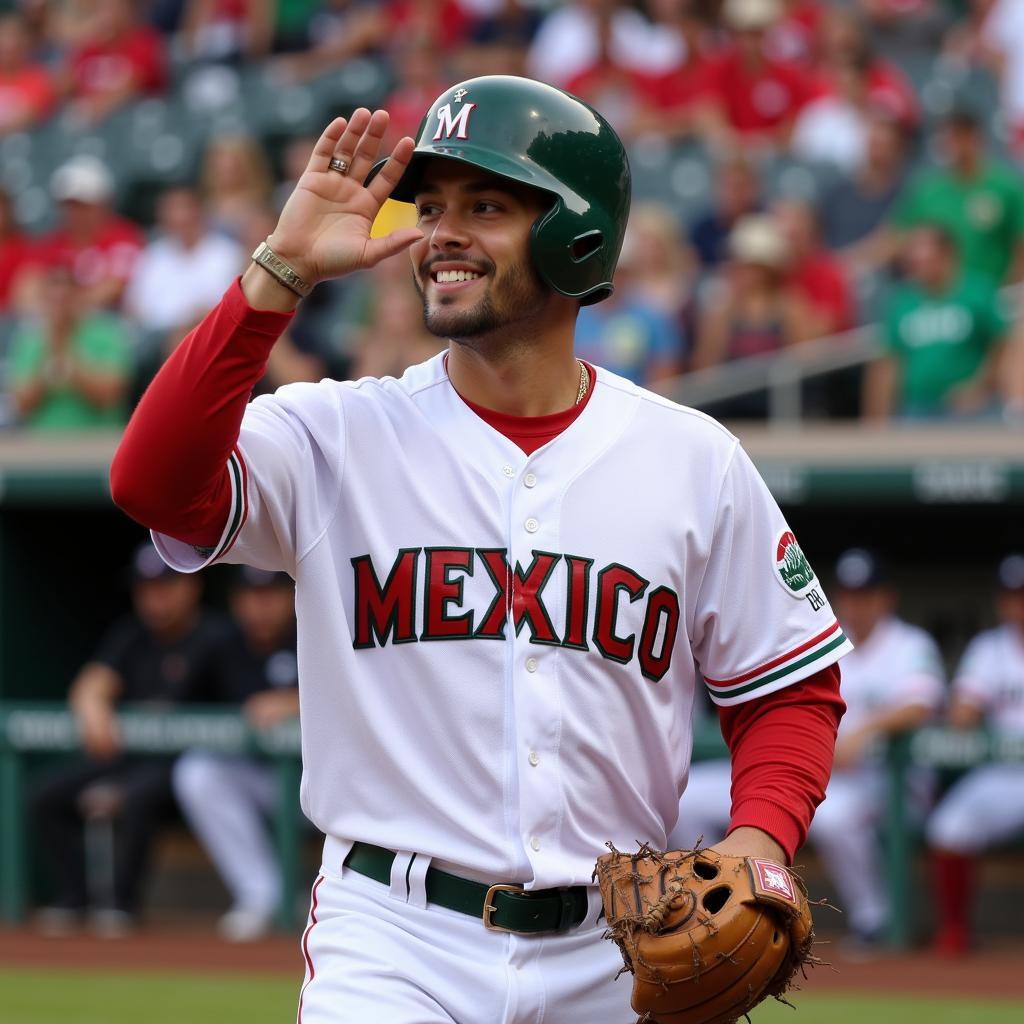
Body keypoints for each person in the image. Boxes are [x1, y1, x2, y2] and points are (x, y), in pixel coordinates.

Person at [109, 77, 850, 1021]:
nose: (440, 232)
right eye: (435, 205)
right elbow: (152, 486)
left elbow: (788, 686)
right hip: (392, 935)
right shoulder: (336, 433)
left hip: (616, 948)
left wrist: (761, 837)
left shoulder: (691, 459)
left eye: (486, 206)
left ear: (575, 234)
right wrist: (277, 273)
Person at [673, 548, 944, 949]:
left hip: (885, 780)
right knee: (690, 798)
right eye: (850, 593)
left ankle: (876, 918)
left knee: (835, 816)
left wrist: (866, 730)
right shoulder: (830, 640)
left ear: (886, 597)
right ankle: (712, 907)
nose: (857, 603)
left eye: (867, 594)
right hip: (820, 776)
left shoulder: (908, 644)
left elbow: (921, 704)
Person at [30, 543, 236, 936]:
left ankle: (122, 904)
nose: (154, 597)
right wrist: (91, 704)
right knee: (46, 794)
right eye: (146, 588)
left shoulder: (215, 636)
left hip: (186, 765)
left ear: (190, 587)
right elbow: (93, 682)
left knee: (136, 796)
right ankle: (77, 897)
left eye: (164, 586)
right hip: (130, 757)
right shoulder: (132, 635)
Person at [173, 566, 301, 943]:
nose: (260, 606)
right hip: (261, 781)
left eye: (271, 594)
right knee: (197, 772)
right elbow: (175, 704)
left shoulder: (318, 632)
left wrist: (298, 702)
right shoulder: (222, 645)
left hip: (324, 784)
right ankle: (263, 895)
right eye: (251, 595)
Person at [926, 553, 1024, 957]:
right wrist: (965, 709)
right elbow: (962, 711)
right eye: (1013, 596)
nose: (1019, 604)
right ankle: (954, 931)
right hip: (1005, 773)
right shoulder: (990, 648)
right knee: (949, 826)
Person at [864, 223, 1011, 420]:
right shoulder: (902, 301)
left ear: (946, 254)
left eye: (922, 253)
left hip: (970, 409)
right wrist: (877, 420)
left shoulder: (978, 292)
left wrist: (980, 387)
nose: (915, 261)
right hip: (916, 406)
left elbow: (1004, 345)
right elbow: (888, 363)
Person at [887, 107, 1024, 288]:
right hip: (940, 301)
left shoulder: (1006, 188)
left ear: (976, 138)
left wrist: (1010, 290)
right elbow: (899, 239)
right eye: (946, 138)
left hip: (992, 297)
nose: (952, 144)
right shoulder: (927, 191)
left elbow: (1020, 247)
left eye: (959, 136)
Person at [7, 262, 132, 432]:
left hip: (98, 440)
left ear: (78, 297)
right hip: (42, 445)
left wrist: (66, 348)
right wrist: (49, 349)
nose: (60, 306)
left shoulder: (106, 335)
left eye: (65, 299)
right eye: (53, 300)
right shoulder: (30, 341)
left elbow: (110, 394)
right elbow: (21, 404)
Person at [18, 155, 144, 313]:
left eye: (82, 205)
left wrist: (61, 306)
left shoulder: (123, 237)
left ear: (104, 203)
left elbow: (112, 289)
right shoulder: (52, 241)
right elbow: (26, 290)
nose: (74, 212)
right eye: (69, 205)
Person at [125, 186, 244, 337]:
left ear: (200, 211)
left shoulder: (227, 253)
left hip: (206, 333)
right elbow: (134, 307)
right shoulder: (152, 255)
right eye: (172, 210)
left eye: (185, 208)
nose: (180, 217)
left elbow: (230, 306)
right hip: (153, 337)